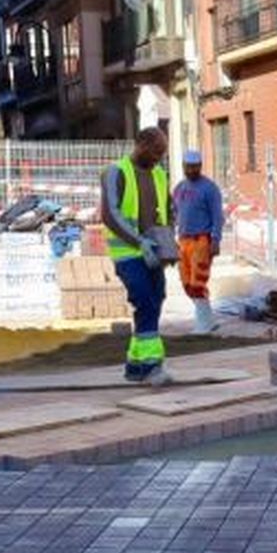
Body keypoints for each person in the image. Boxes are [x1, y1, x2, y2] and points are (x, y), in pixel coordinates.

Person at [101, 126, 175, 385]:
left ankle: (135, 365)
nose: (158, 158)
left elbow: (167, 210)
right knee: (145, 301)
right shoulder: (117, 172)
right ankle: (152, 365)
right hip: (129, 254)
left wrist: (169, 245)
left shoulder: (159, 174)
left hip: (153, 252)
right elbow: (110, 214)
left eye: (162, 154)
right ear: (140, 144)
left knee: (156, 299)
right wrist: (138, 242)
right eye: (155, 152)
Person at [172, 148, 226, 335]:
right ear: (183, 166)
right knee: (187, 282)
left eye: (195, 167)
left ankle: (203, 324)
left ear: (200, 166)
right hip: (183, 241)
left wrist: (215, 239)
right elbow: (174, 214)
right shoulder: (179, 188)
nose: (192, 170)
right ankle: (208, 319)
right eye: (188, 167)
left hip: (202, 240)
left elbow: (218, 216)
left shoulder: (209, 188)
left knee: (198, 281)